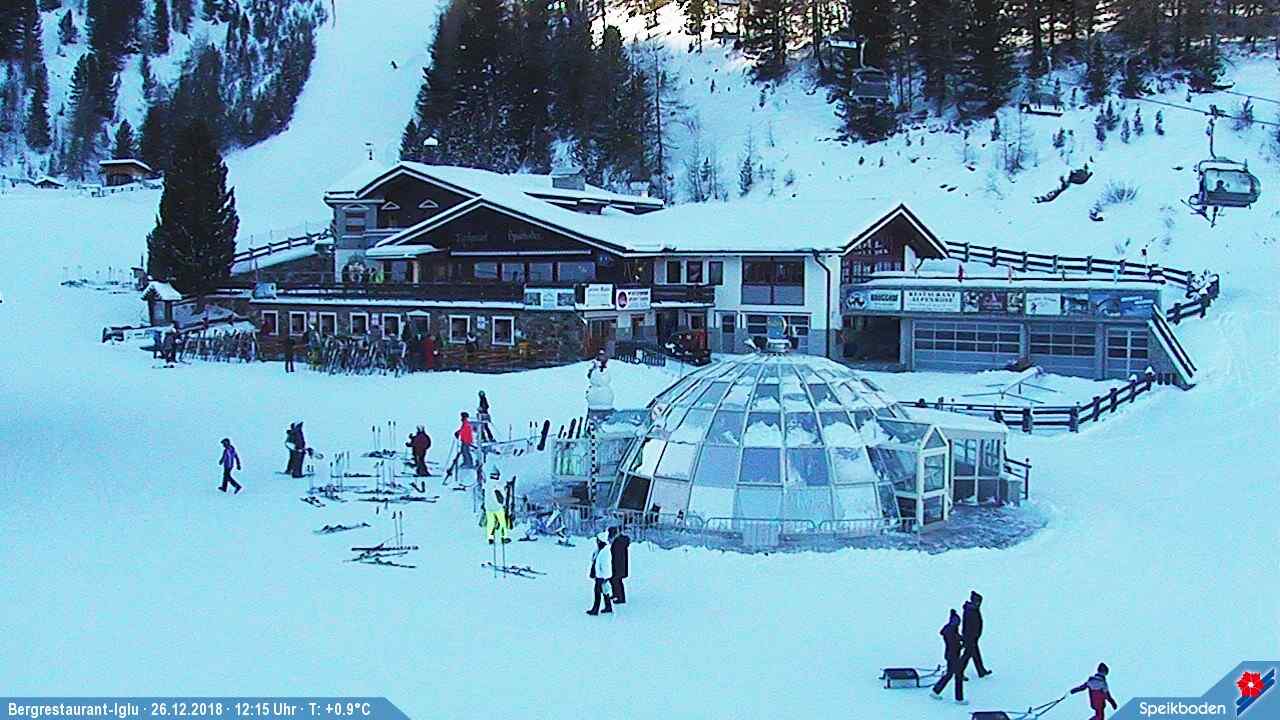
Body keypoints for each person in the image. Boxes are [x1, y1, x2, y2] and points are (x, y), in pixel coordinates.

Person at [930, 609, 967, 705]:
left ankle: (936, 690)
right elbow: (954, 644)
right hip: (953, 656)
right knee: (957, 676)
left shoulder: (950, 629)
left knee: (950, 674)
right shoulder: (952, 632)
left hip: (950, 655)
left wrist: (961, 639)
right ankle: (959, 699)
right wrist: (962, 644)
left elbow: (956, 637)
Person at [961, 591, 991, 678]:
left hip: (973, 637)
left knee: (975, 655)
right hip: (970, 638)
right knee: (967, 655)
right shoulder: (970, 611)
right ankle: (959, 672)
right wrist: (967, 638)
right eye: (978, 601)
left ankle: (981, 671)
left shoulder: (974, 609)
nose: (979, 603)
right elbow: (967, 626)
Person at [587, 532, 613, 616]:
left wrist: (604, 577)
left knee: (597, 592)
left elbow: (605, 565)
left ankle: (595, 609)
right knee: (605, 591)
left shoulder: (605, 551)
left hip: (602, 575)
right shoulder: (600, 549)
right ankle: (608, 607)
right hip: (600, 575)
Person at [484, 471, 509, 545]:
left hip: (488, 507)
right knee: (502, 522)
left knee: (490, 523)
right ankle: (504, 537)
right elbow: (503, 495)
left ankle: (490, 538)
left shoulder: (486, 484)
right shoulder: (498, 484)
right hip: (498, 507)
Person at [609, 526, 631, 604]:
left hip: (618, 565)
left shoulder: (618, 542)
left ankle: (620, 597)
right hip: (620, 565)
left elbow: (617, 556)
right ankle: (616, 594)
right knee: (615, 580)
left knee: (616, 581)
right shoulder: (619, 541)